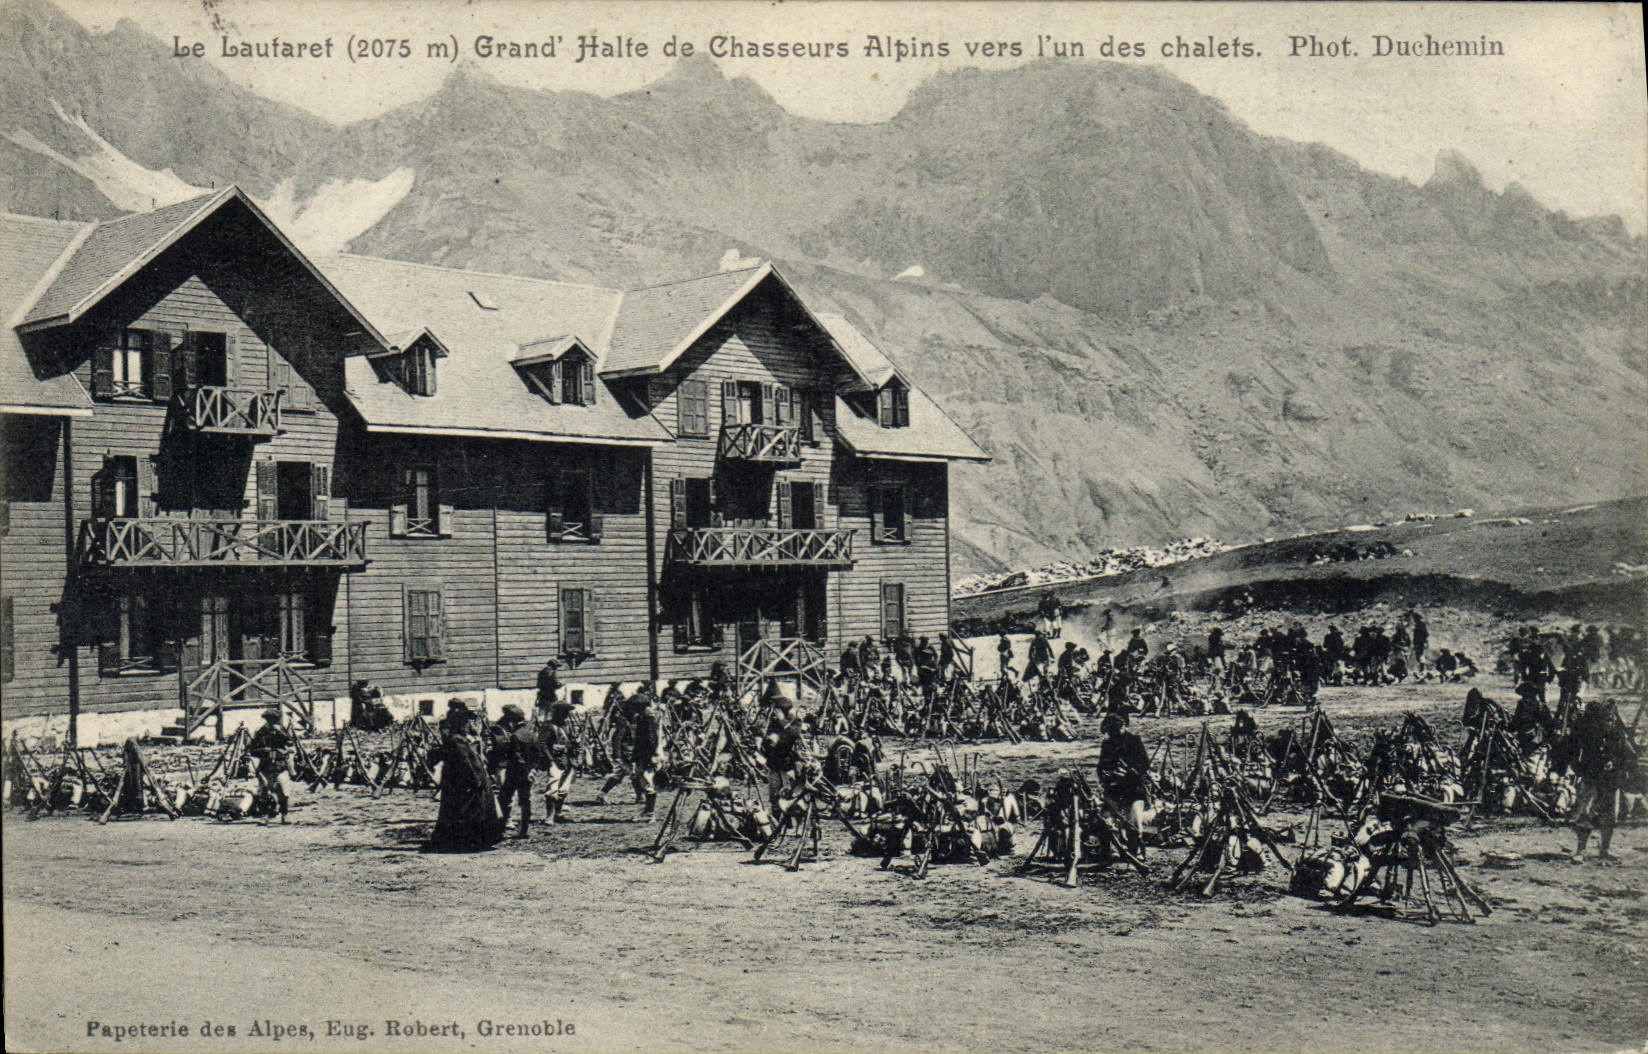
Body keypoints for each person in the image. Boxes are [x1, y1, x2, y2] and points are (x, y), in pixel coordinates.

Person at [427, 700, 505, 851]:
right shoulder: (456, 739)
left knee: (458, 809)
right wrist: (476, 779)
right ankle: (470, 841)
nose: (467, 726)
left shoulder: (459, 736)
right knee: (470, 810)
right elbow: (465, 763)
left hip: (459, 778)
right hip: (465, 780)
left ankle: (460, 840)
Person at [1568, 699, 1633, 864]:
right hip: (1591, 776)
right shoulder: (1586, 732)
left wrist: (1614, 762)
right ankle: (1581, 850)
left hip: (1610, 779)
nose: (1607, 722)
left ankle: (1605, 850)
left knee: (1610, 815)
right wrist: (1581, 769)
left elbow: (1628, 754)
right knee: (1585, 812)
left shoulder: (1617, 732)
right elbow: (1573, 752)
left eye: (1609, 719)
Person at [1096, 712, 1151, 840]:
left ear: (1122, 728)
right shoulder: (1107, 744)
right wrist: (1105, 774)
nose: (1113, 736)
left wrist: (1129, 773)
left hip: (1133, 788)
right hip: (1113, 789)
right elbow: (1101, 766)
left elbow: (1144, 763)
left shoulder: (1134, 741)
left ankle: (1136, 843)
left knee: (1134, 822)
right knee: (1105, 820)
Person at [490, 704, 542, 837]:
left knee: (504, 799)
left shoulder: (515, 736)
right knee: (525, 801)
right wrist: (532, 770)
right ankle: (524, 830)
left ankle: (499, 829)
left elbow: (517, 757)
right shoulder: (532, 735)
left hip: (514, 774)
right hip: (528, 774)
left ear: (512, 721)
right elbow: (537, 755)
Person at [248, 708, 294, 824]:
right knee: (266, 792)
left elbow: (290, 744)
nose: (272, 722)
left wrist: (283, 748)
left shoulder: (282, 731)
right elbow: (252, 750)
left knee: (283, 791)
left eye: (274, 719)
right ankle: (267, 816)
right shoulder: (260, 732)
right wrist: (263, 750)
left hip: (280, 765)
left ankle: (284, 815)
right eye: (270, 719)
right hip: (266, 766)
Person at [539, 701, 579, 825]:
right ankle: (549, 816)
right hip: (555, 760)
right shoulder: (548, 726)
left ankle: (558, 813)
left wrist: (575, 744)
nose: (566, 715)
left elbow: (572, 741)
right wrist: (550, 759)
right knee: (553, 788)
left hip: (568, 760)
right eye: (564, 712)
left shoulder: (567, 726)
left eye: (567, 712)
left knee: (564, 789)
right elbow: (542, 743)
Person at [628, 687, 664, 821]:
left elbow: (650, 739)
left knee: (647, 781)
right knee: (645, 781)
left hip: (648, 755)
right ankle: (648, 811)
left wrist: (650, 756)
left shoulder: (647, 719)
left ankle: (650, 813)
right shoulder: (645, 717)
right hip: (645, 754)